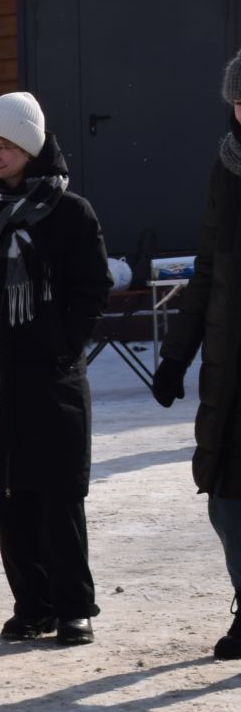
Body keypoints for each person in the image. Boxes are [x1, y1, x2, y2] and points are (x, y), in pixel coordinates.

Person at [0, 92, 112, 646]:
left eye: (6, 146)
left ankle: (74, 606)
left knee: (57, 495)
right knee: (8, 494)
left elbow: (92, 289)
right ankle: (32, 604)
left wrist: (64, 345)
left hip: (52, 376)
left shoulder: (70, 212)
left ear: (33, 148)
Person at [151, 48, 241, 661]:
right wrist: (176, 356)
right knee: (228, 496)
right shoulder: (226, 169)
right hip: (232, 365)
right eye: (240, 99)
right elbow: (207, 267)